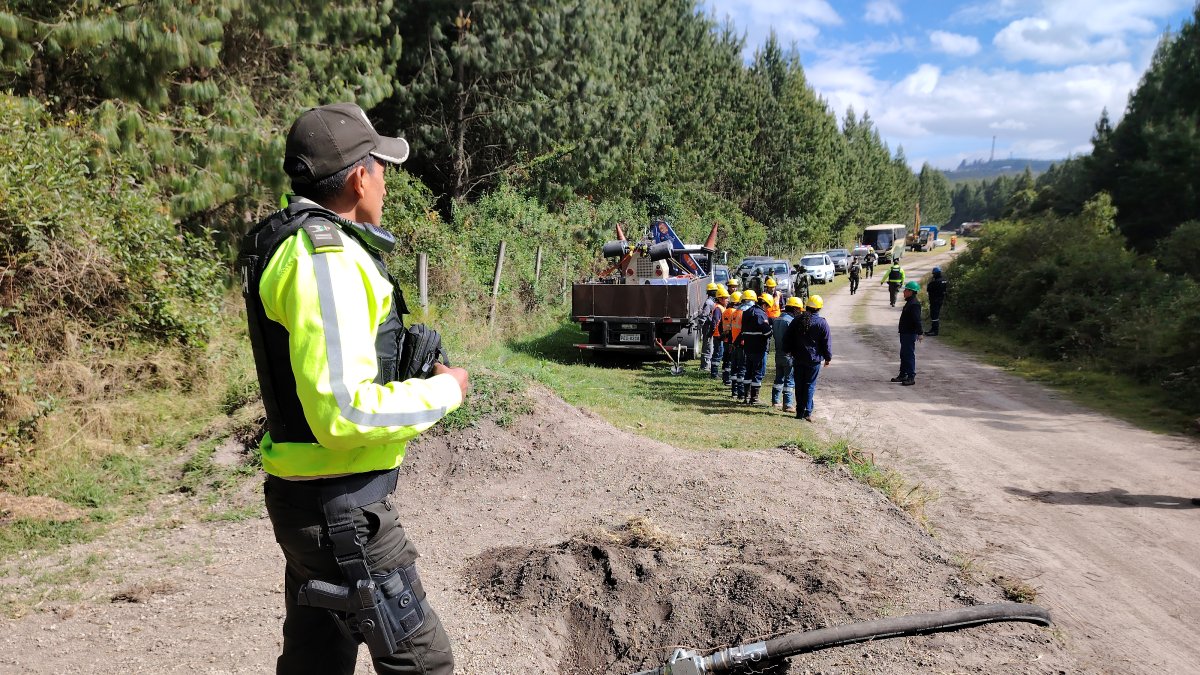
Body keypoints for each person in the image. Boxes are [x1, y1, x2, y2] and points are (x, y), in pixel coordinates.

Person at [238, 103, 469, 675]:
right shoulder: (327, 258)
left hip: (313, 501)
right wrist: (447, 391)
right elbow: (342, 411)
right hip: (343, 513)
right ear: (360, 176)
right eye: (382, 168)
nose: (386, 183)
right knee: (424, 664)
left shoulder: (295, 243)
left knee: (316, 661)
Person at [781, 294, 832, 421]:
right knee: (809, 385)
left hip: (798, 358)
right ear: (819, 308)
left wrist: (788, 351)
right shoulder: (822, 323)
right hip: (813, 361)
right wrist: (828, 358)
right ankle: (808, 412)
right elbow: (826, 342)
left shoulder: (797, 320)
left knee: (799, 385)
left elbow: (787, 337)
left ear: (807, 306)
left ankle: (799, 412)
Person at [738, 291, 772, 405]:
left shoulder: (747, 312)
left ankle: (745, 397)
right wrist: (771, 330)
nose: (767, 309)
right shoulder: (761, 314)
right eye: (767, 307)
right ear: (764, 304)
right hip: (759, 348)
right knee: (757, 372)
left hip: (748, 348)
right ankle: (754, 399)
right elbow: (767, 332)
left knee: (748, 372)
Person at [771, 296, 803, 412]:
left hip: (778, 353)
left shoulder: (778, 319)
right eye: (799, 310)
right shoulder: (791, 321)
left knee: (778, 378)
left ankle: (775, 401)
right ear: (794, 309)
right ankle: (788, 404)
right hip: (788, 355)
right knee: (789, 380)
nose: (799, 312)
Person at [893, 280, 924, 386]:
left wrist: (920, 333)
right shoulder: (910, 302)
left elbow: (917, 320)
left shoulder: (914, 304)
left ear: (911, 292)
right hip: (905, 333)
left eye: (906, 290)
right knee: (903, 354)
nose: (904, 292)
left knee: (909, 355)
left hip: (909, 333)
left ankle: (911, 377)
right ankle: (903, 374)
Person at [729, 289, 756, 401]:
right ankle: (741, 393)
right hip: (743, 344)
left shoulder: (735, 312)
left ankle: (734, 392)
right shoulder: (746, 313)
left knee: (735, 368)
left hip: (735, 343)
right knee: (742, 369)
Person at [720, 290, 742, 386]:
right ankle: (729, 379)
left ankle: (725, 377)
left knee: (726, 359)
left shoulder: (725, 311)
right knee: (732, 360)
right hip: (733, 340)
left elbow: (720, 325)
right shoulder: (735, 312)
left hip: (725, 339)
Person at [708, 286, 729, 378]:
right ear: (720, 299)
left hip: (720, 335)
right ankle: (714, 373)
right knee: (718, 353)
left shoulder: (721, 307)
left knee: (719, 353)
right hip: (718, 335)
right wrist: (714, 332)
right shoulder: (718, 308)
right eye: (726, 298)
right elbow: (715, 321)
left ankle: (715, 372)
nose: (727, 300)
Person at [699, 282, 719, 371]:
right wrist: (701, 325)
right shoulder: (709, 302)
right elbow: (704, 315)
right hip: (707, 327)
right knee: (707, 346)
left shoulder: (712, 302)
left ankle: (707, 365)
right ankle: (705, 366)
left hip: (710, 326)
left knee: (710, 346)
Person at [926, 267, 949, 336]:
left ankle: (935, 331)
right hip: (940, 300)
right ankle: (933, 329)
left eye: (933, 274)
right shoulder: (944, 280)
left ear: (935, 273)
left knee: (934, 316)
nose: (933, 275)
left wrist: (931, 282)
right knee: (935, 315)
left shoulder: (935, 282)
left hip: (934, 301)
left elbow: (929, 288)